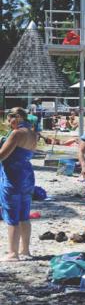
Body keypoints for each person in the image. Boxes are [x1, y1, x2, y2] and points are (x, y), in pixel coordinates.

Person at [0, 108, 37, 261]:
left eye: (12, 117)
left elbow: (2, 155)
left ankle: (13, 253)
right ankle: (25, 250)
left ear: (20, 117)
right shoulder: (32, 133)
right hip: (27, 175)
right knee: (24, 214)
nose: (9, 121)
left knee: (12, 214)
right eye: (8, 118)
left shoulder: (16, 134)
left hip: (13, 176)